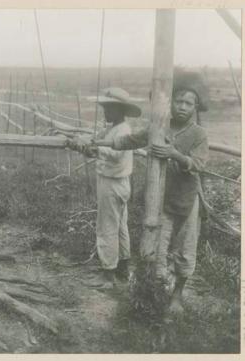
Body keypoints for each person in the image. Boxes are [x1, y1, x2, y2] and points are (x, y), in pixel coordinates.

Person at [89, 79, 209, 313]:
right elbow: (130, 140)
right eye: (179, 101)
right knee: (157, 249)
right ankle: (153, 294)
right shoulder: (159, 126)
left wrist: (174, 154)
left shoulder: (198, 134)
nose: (183, 107)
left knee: (186, 248)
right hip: (161, 197)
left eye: (189, 103)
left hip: (187, 197)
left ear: (195, 108)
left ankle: (177, 296)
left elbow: (199, 164)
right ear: (171, 103)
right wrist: (101, 142)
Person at [68, 87, 142, 289]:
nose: (105, 112)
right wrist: (83, 144)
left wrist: (95, 148)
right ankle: (122, 268)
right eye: (104, 107)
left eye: (109, 108)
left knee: (107, 226)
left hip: (113, 183)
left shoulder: (123, 130)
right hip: (114, 182)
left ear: (120, 110)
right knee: (119, 225)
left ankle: (108, 274)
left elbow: (115, 153)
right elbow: (97, 144)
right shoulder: (111, 129)